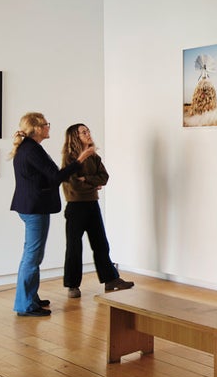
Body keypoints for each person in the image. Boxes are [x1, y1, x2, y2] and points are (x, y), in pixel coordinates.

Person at [9, 112, 92, 317]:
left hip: (31, 206)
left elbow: (49, 178)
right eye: (46, 124)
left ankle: (30, 297)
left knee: (31, 254)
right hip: (35, 208)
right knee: (32, 256)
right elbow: (56, 176)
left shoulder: (30, 148)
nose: (49, 127)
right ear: (37, 128)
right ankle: (25, 304)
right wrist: (81, 158)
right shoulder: (31, 150)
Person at [61, 123, 133, 296]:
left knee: (101, 243)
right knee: (74, 247)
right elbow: (75, 185)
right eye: (83, 132)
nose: (88, 134)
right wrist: (93, 184)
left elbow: (104, 177)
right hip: (76, 206)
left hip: (92, 204)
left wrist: (87, 179)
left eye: (88, 131)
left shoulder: (94, 157)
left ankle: (111, 280)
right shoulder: (70, 159)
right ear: (75, 137)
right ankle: (72, 285)